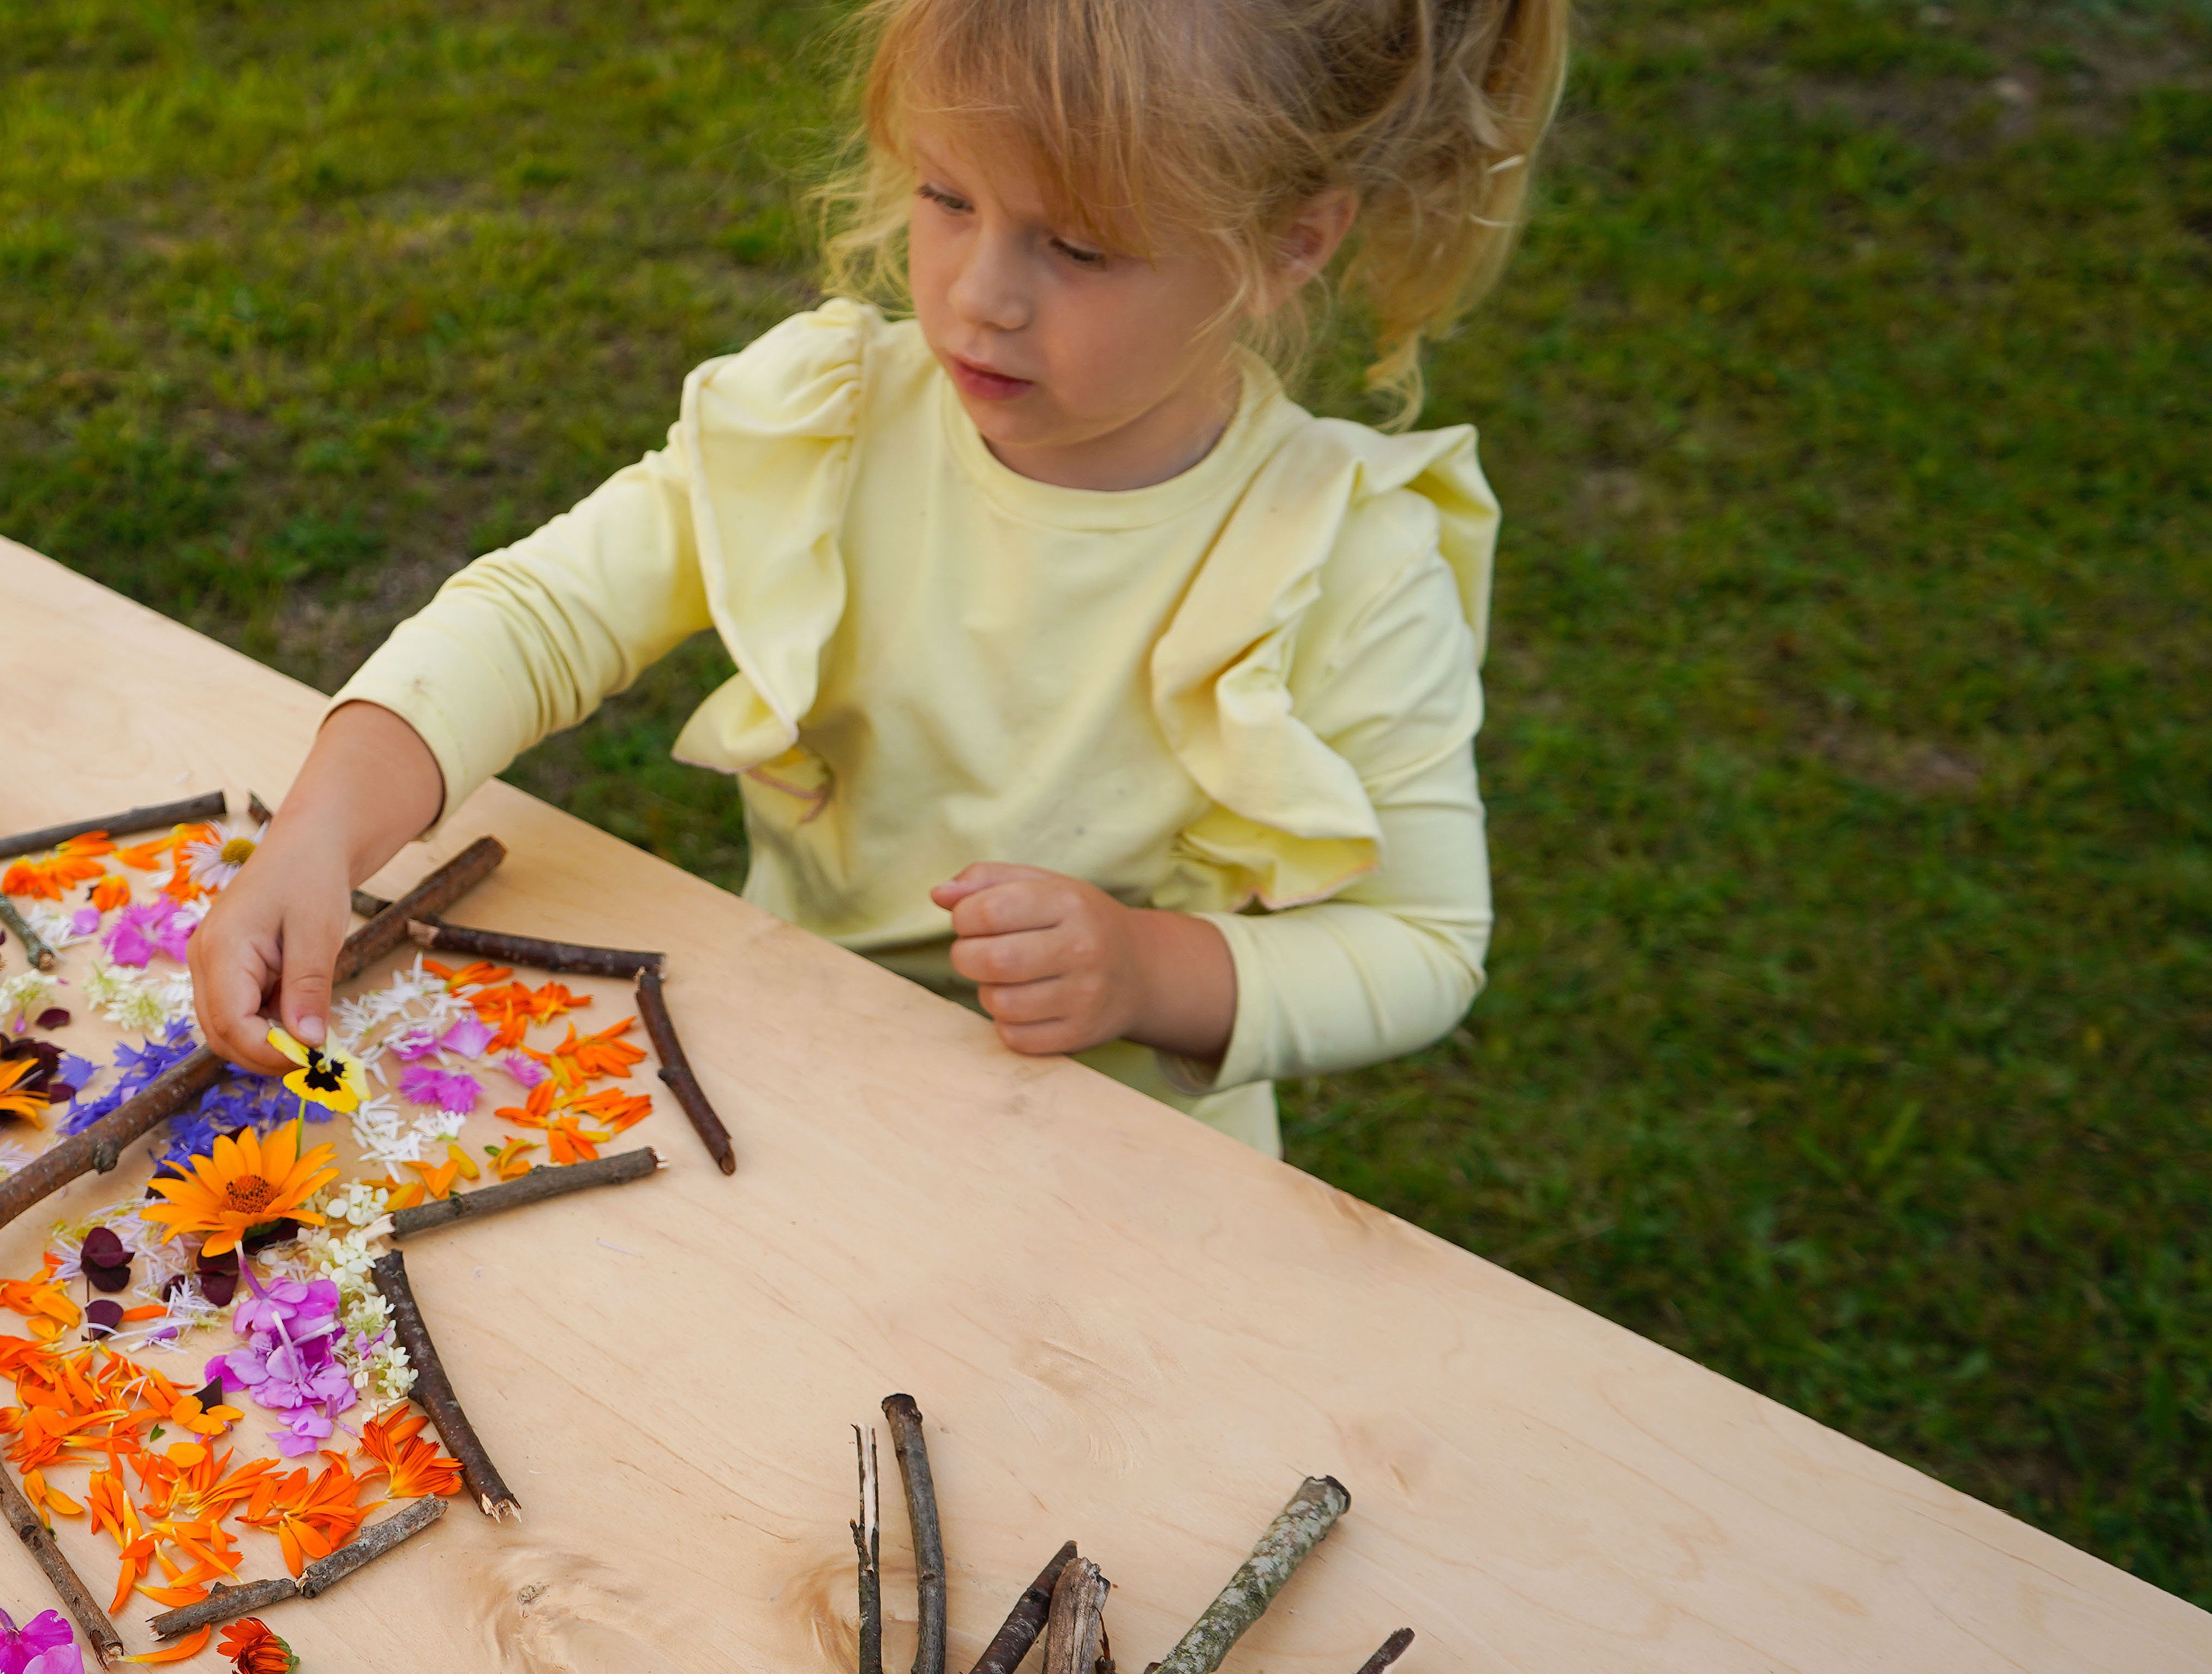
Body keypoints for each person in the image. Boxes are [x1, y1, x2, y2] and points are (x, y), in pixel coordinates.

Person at [193, 0, 1570, 1157]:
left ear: (1291, 245)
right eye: (946, 196)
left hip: (1119, 1176)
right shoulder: (833, 425)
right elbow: (546, 612)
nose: (981, 293)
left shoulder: (1347, 557)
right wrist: (324, 828)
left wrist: (1151, 970)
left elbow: (1427, 942)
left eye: (1079, 247)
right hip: (789, 1083)